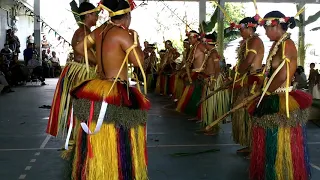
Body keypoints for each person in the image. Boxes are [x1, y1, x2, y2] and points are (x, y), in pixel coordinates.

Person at [70, 0, 149, 179]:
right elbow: (139, 62)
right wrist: (136, 40)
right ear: (127, 17)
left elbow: (78, 47)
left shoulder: (100, 31)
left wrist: (99, 60)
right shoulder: (124, 34)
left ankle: (100, 172)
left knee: (101, 134)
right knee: (119, 134)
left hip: (98, 88)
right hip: (116, 89)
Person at [248, 10, 312, 180]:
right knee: (271, 141)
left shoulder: (286, 45)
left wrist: (266, 93)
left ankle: (282, 174)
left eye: (267, 28)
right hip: (274, 93)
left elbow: (283, 75)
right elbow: (275, 71)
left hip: (280, 97)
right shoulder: (278, 45)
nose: (265, 32)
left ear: (275, 26)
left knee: (279, 141)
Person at [46, 2, 98, 142]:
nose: (97, 17)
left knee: (78, 106)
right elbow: (84, 52)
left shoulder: (81, 30)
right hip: (82, 73)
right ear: (88, 15)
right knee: (82, 106)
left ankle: (77, 136)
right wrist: (101, 61)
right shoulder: (84, 32)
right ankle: (78, 137)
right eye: (95, 14)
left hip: (79, 71)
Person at [229, 16, 264, 155]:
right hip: (247, 79)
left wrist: (237, 73)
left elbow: (249, 61)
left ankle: (255, 148)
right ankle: (251, 145)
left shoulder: (254, 41)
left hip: (253, 81)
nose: (240, 32)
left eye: (241, 29)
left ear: (250, 28)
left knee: (249, 113)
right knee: (244, 113)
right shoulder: (248, 41)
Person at [200, 32, 230, 135]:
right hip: (209, 79)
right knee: (208, 105)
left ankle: (213, 128)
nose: (203, 45)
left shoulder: (213, 53)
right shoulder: (211, 53)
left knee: (212, 106)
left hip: (213, 80)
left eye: (204, 43)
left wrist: (213, 82)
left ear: (207, 43)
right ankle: (208, 125)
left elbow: (217, 69)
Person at [176, 30, 206, 120]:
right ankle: (196, 114)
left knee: (197, 94)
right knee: (193, 94)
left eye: (190, 38)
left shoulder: (200, 45)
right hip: (194, 72)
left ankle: (199, 115)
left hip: (200, 73)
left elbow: (209, 53)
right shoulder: (193, 47)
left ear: (195, 37)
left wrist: (205, 68)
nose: (189, 40)